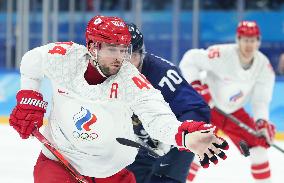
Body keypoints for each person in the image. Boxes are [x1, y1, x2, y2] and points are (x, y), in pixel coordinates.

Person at [9, 15, 229, 183]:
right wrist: (29, 95)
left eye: (124, 49)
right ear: (92, 47)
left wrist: (184, 137)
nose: (120, 58)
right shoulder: (65, 57)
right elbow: (32, 60)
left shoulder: (131, 80)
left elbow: (157, 117)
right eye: (112, 49)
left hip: (112, 172)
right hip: (59, 160)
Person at [179, 20, 276, 183]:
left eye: (252, 40)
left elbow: (260, 100)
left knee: (259, 150)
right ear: (238, 39)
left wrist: (261, 122)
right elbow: (189, 59)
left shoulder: (263, 66)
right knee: (195, 151)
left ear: (258, 41)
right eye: (245, 40)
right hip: (208, 110)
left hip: (234, 113)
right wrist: (196, 85)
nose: (249, 45)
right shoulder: (221, 54)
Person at [125, 23, 212, 183]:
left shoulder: (162, 74)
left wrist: (174, 138)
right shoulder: (106, 74)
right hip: (138, 145)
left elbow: (197, 110)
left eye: (132, 55)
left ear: (141, 53)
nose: (126, 63)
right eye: (120, 55)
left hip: (173, 144)